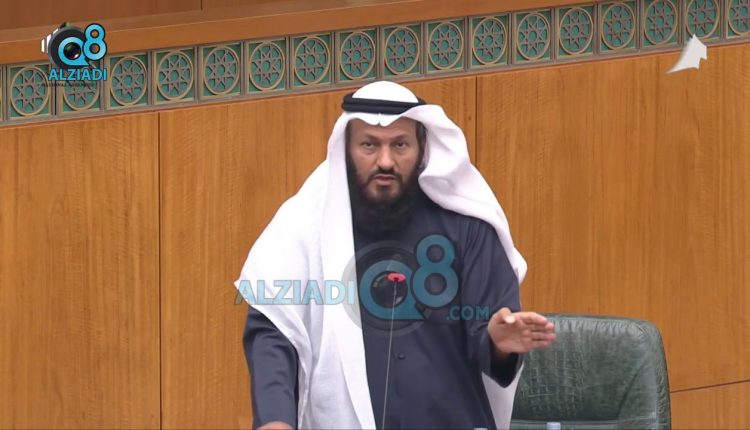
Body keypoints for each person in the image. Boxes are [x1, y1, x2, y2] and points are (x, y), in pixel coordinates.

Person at [235, 81, 556, 430]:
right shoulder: (305, 225)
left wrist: (498, 343)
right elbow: (274, 331)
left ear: (422, 146)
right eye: (369, 145)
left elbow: (493, 330)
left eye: (399, 145)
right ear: (346, 149)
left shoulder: (468, 226)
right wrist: (275, 420)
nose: (385, 161)